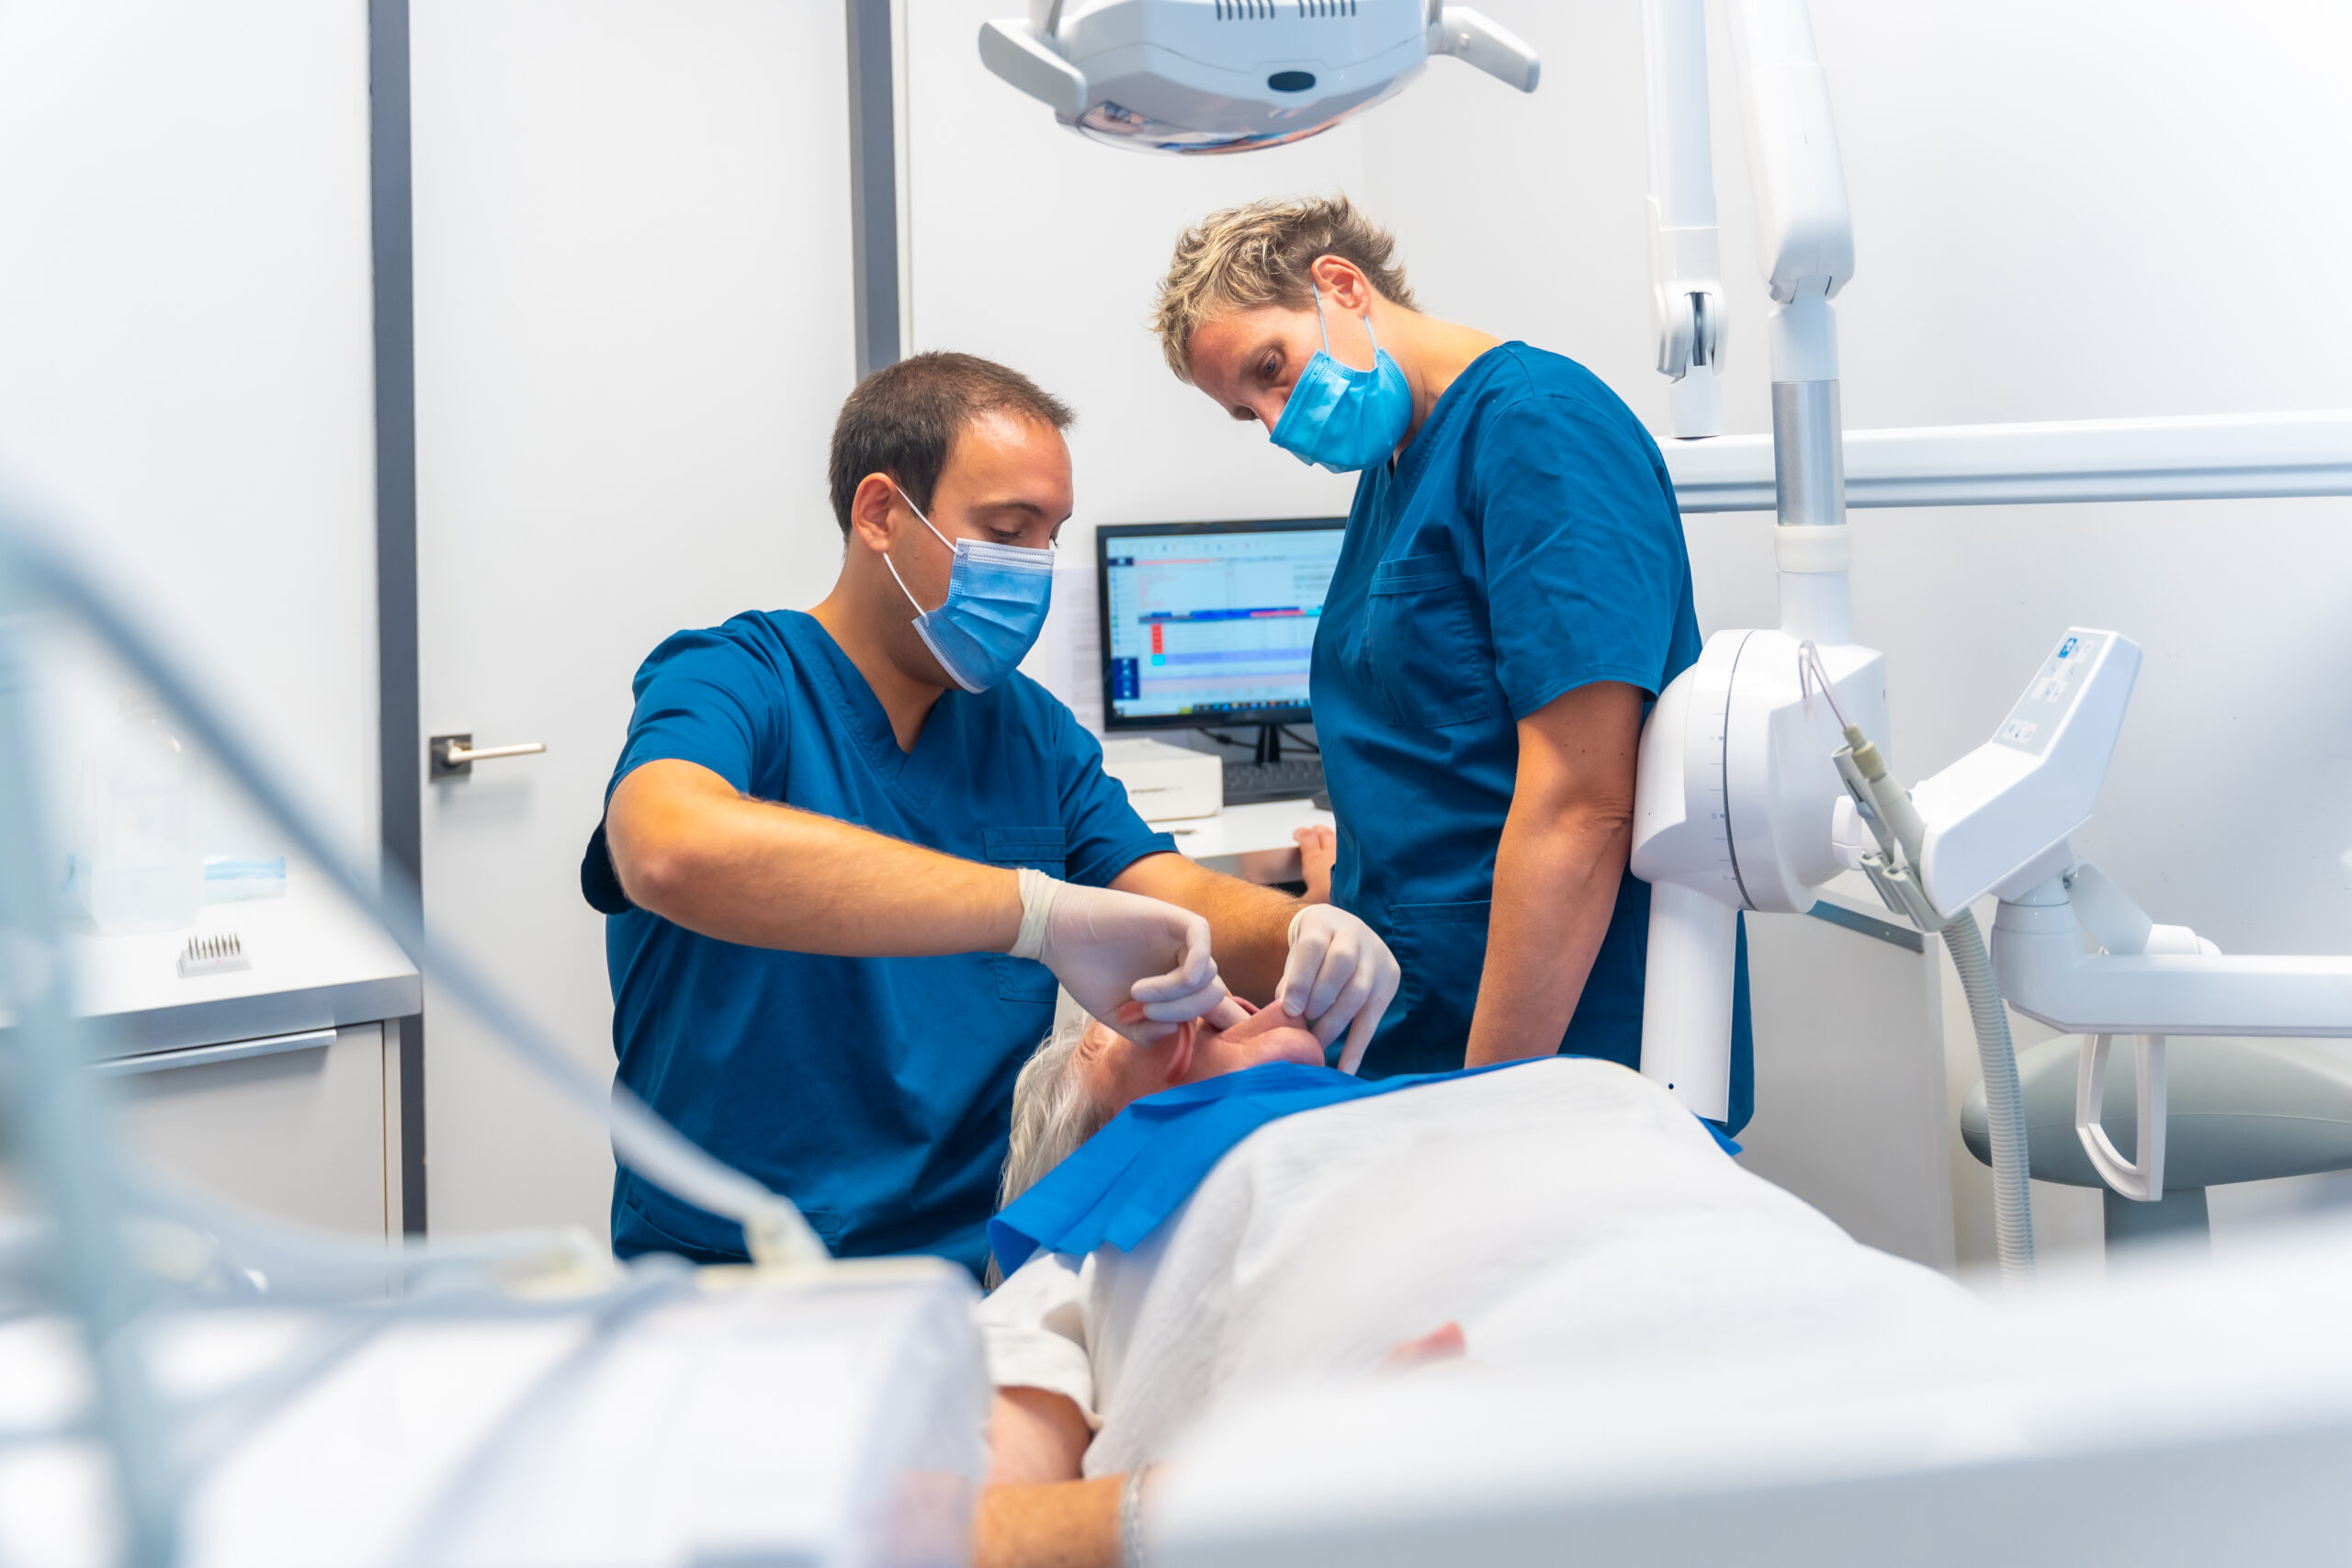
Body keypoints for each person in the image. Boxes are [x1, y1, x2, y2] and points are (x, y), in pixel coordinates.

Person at [582, 352, 1399, 1278]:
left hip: (975, 1271)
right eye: (1007, 531)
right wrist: (1038, 914)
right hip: (740, 1269)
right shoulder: (737, 680)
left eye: (1050, 536)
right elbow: (668, 849)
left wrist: (1309, 929)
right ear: (881, 512)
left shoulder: (1029, 736)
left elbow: (1170, 898)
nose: (1036, 570)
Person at [969, 1000, 1968, 1568]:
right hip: (1518, 1495)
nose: (1197, 1001)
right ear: (1088, 1152)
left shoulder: (1530, 1090)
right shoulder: (1075, 1252)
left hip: (1923, 1389)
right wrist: (1253, 1500)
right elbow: (961, 1539)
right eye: (1114, 1032)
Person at [1151, 197, 1751, 1119]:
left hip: (1551, 1045)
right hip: (1428, 1009)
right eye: (1245, 411)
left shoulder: (1538, 428)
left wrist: (1487, 1107)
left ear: (1342, 287)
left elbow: (1582, 805)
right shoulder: (1392, 472)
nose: (1275, 423)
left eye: (1271, 371)